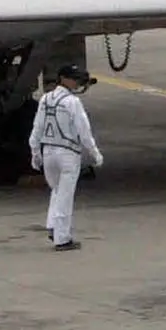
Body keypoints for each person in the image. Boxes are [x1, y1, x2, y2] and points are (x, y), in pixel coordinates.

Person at [28, 62, 104, 251]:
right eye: (76, 80)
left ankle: (53, 226)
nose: (78, 84)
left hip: (48, 153)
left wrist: (35, 153)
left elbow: (37, 128)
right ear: (64, 80)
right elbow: (83, 130)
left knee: (57, 191)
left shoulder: (45, 99)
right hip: (67, 154)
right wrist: (95, 153)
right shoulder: (72, 102)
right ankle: (62, 238)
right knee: (65, 197)